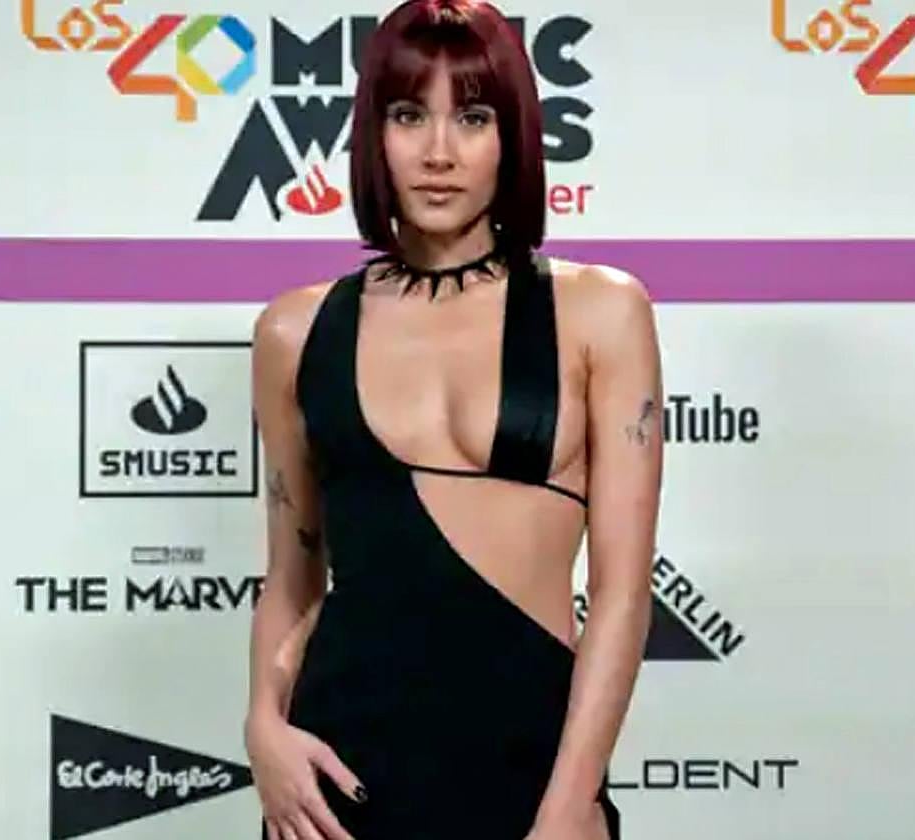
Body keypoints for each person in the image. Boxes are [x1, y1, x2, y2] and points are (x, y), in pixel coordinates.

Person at [244, 2, 662, 838]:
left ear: (512, 136)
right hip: (336, 784)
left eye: (471, 118)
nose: (439, 152)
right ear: (374, 135)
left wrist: (569, 804)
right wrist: (263, 726)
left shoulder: (600, 311)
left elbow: (621, 593)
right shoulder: (294, 330)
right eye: (409, 116)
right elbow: (292, 575)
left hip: (530, 778)